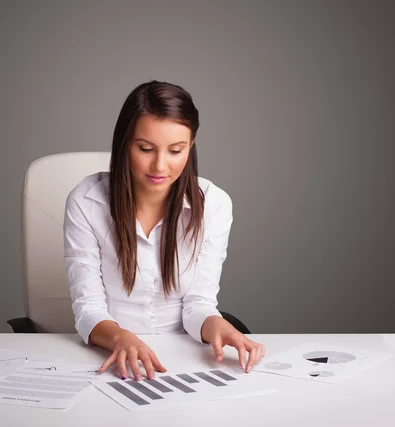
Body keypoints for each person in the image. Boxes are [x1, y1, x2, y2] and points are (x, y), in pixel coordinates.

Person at [63, 80, 264, 381]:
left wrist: (217, 325)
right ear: (125, 144)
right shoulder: (87, 201)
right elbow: (88, 308)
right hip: (110, 354)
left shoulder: (214, 205)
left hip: (184, 359)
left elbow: (198, 305)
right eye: (145, 148)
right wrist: (121, 337)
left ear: (190, 146)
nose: (160, 165)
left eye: (175, 150)